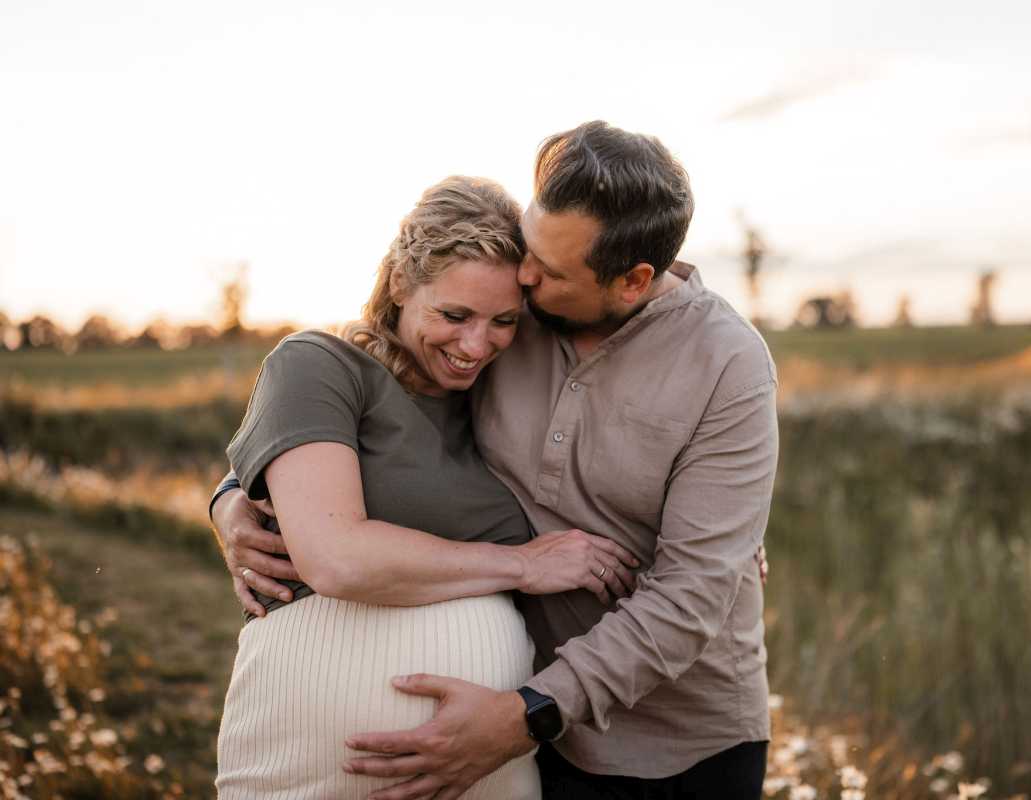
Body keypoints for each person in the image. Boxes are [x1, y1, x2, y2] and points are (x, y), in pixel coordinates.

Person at [212, 121, 779, 800]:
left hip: (672, 743)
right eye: (530, 250)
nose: (526, 277)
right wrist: (233, 497)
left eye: (548, 273)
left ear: (631, 282)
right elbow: (368, 411)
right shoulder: (511, 313)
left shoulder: (727, 362)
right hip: (525, 740)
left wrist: (526, 713)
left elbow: (693, 591)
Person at [212, 175, 638, 799]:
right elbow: (335, 556)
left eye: (502, 321)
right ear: (401, 284)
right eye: (454, 315)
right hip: (312, 763)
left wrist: (722, 536)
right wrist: (521, 565)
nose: (475, 345)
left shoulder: (507, 396)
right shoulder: (321, 364)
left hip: (488, 767)